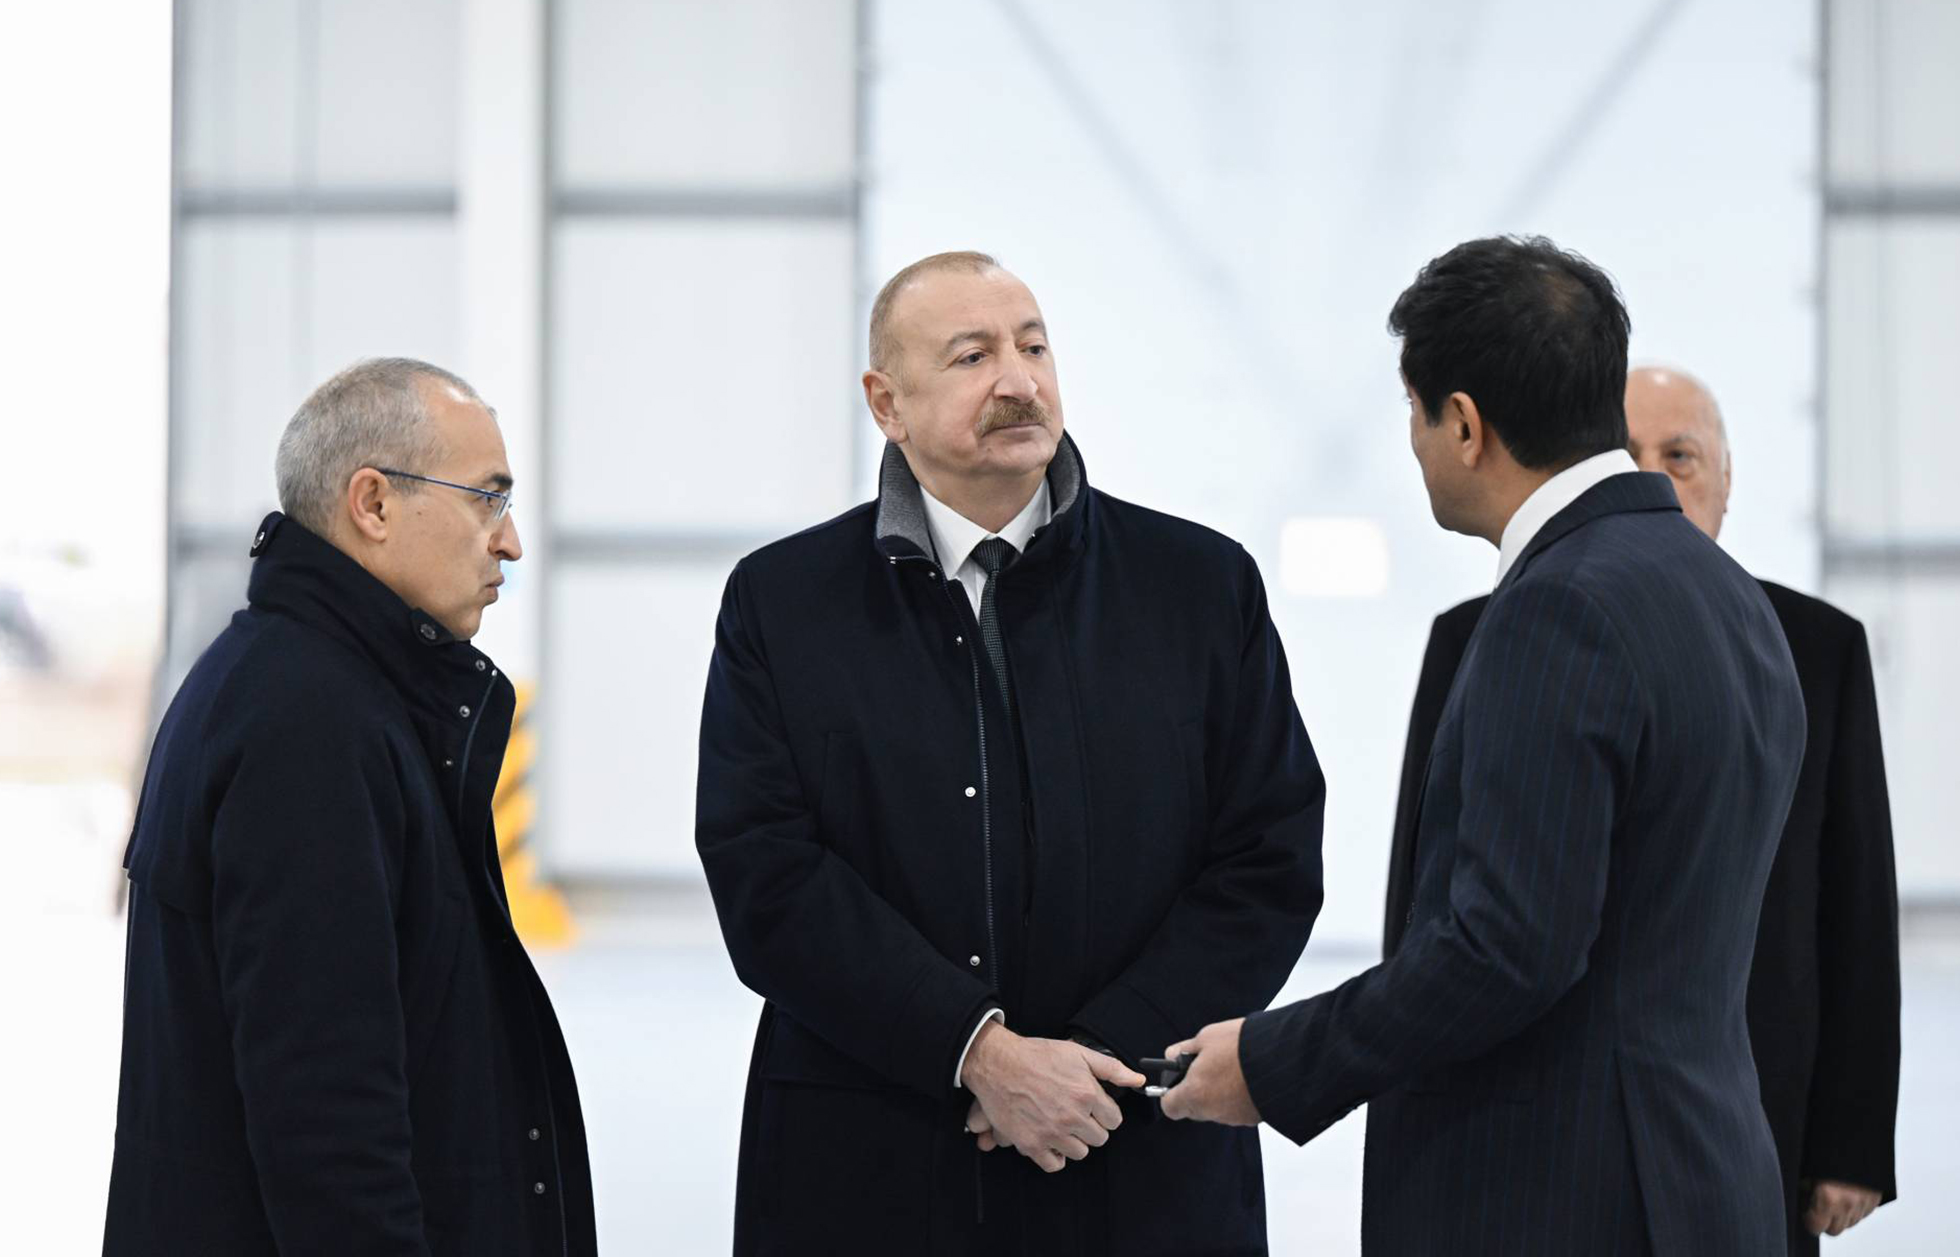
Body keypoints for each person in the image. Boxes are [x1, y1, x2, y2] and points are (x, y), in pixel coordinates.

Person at [1159, 236, 1807, 1255]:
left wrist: (1271, 1062)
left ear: (1462, 424)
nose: (1415, 443)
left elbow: (1509, 948)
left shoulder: (1562, 606)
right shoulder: (1722, 591)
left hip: (1563, 1198)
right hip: (1704, 1178)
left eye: (1413, 413)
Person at [695, 251, 1326, 1255]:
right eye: (972, 355)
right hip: (871, 1159)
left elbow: (1268, 856)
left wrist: (1093, 1060)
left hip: (1132, 1149)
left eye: (1034, 346)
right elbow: (763, 872)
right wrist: (976, 1051)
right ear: (886, 402)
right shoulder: (784, 602)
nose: (1019, 380)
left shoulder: (1199, 588)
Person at [1380, 364, 1900, 1251]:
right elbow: (1422, 890)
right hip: (1529, 1111)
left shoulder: (1810, 646)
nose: (1654, 477)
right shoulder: (1476, 635)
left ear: (1728, 482)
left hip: (1751, 1105)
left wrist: (1851, 1138)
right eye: (1629, 455)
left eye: (1681, 456)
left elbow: (1856, 906)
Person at [105, 359, 596, 1256]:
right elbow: (328, 1124)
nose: (511, 541)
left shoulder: (306, 686)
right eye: (487, 499)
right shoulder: (308, 725)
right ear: (373, 503)